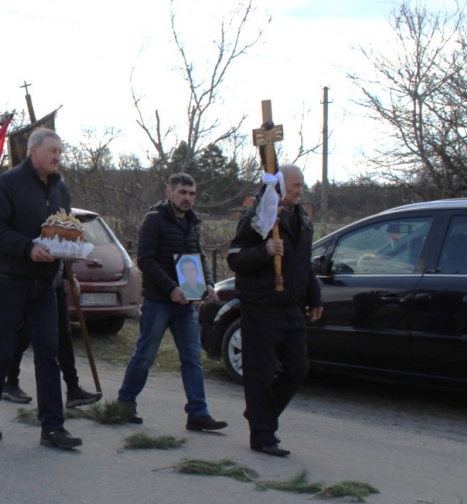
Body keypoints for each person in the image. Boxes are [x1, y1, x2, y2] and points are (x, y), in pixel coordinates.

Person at [0, 128, 82, 450]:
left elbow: (64, 231)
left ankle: (52, 428)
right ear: (34, 151)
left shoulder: (61, 189)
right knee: (0, 351)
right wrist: (26, 248)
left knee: (48, 355)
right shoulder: (9, 183)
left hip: (46, 284)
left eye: (60, 151)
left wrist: (68, 264)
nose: (58, 156)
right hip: (10, 281)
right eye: (52, 150)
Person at [115, 173, 229, 431]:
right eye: (182, 193)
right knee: (145, 356)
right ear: (170, 193)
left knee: (192, 359)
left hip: (186, 304)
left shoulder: (193, 222)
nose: (188, 198)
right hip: (159, 302)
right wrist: (171, 289)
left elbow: (197, 254)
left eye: (192, 193)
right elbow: (145, 259)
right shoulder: (154, 220)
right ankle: (124, 404)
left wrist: (208, 283)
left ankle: (198, 414)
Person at [227, 164, 324, 457]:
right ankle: (263, 434)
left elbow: (303, 264)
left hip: (291, 308)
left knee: (297, 368)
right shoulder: (259, 215)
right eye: (296, 185)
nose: (301, 189)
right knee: (261, 373)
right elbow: (235, 258)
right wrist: (265, 250)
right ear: (280, 187)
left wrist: (314, 297)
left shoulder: (302, 220)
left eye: (302, 184)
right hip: (261, 307)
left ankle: (261, 414)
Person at [3, 280, 103, 408]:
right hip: (36, 283)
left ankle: (73, 389)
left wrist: (70, 275)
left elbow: (63, 260)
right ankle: (10, 381)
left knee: (64, 336)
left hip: (56, 284)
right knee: (25, 333)